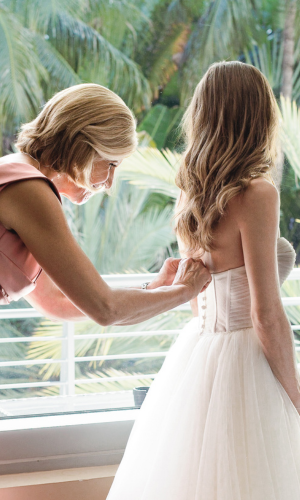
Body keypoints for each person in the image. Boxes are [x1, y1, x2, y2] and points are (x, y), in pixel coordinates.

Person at [106, 62, 300, 500]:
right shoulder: (257, 194)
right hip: (248, 361)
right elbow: (266, 313)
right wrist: (295, 396)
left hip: (200, 352)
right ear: (259, 116)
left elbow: (198, 297)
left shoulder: (190, 193)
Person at [0, 83, 211, 323]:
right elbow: (106, 309)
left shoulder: (17, 173)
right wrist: (186, 290)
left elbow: (55, 301)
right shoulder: (27, 188)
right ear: (83, 145)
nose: (109, 183)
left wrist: (155, 287)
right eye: (111, 164)